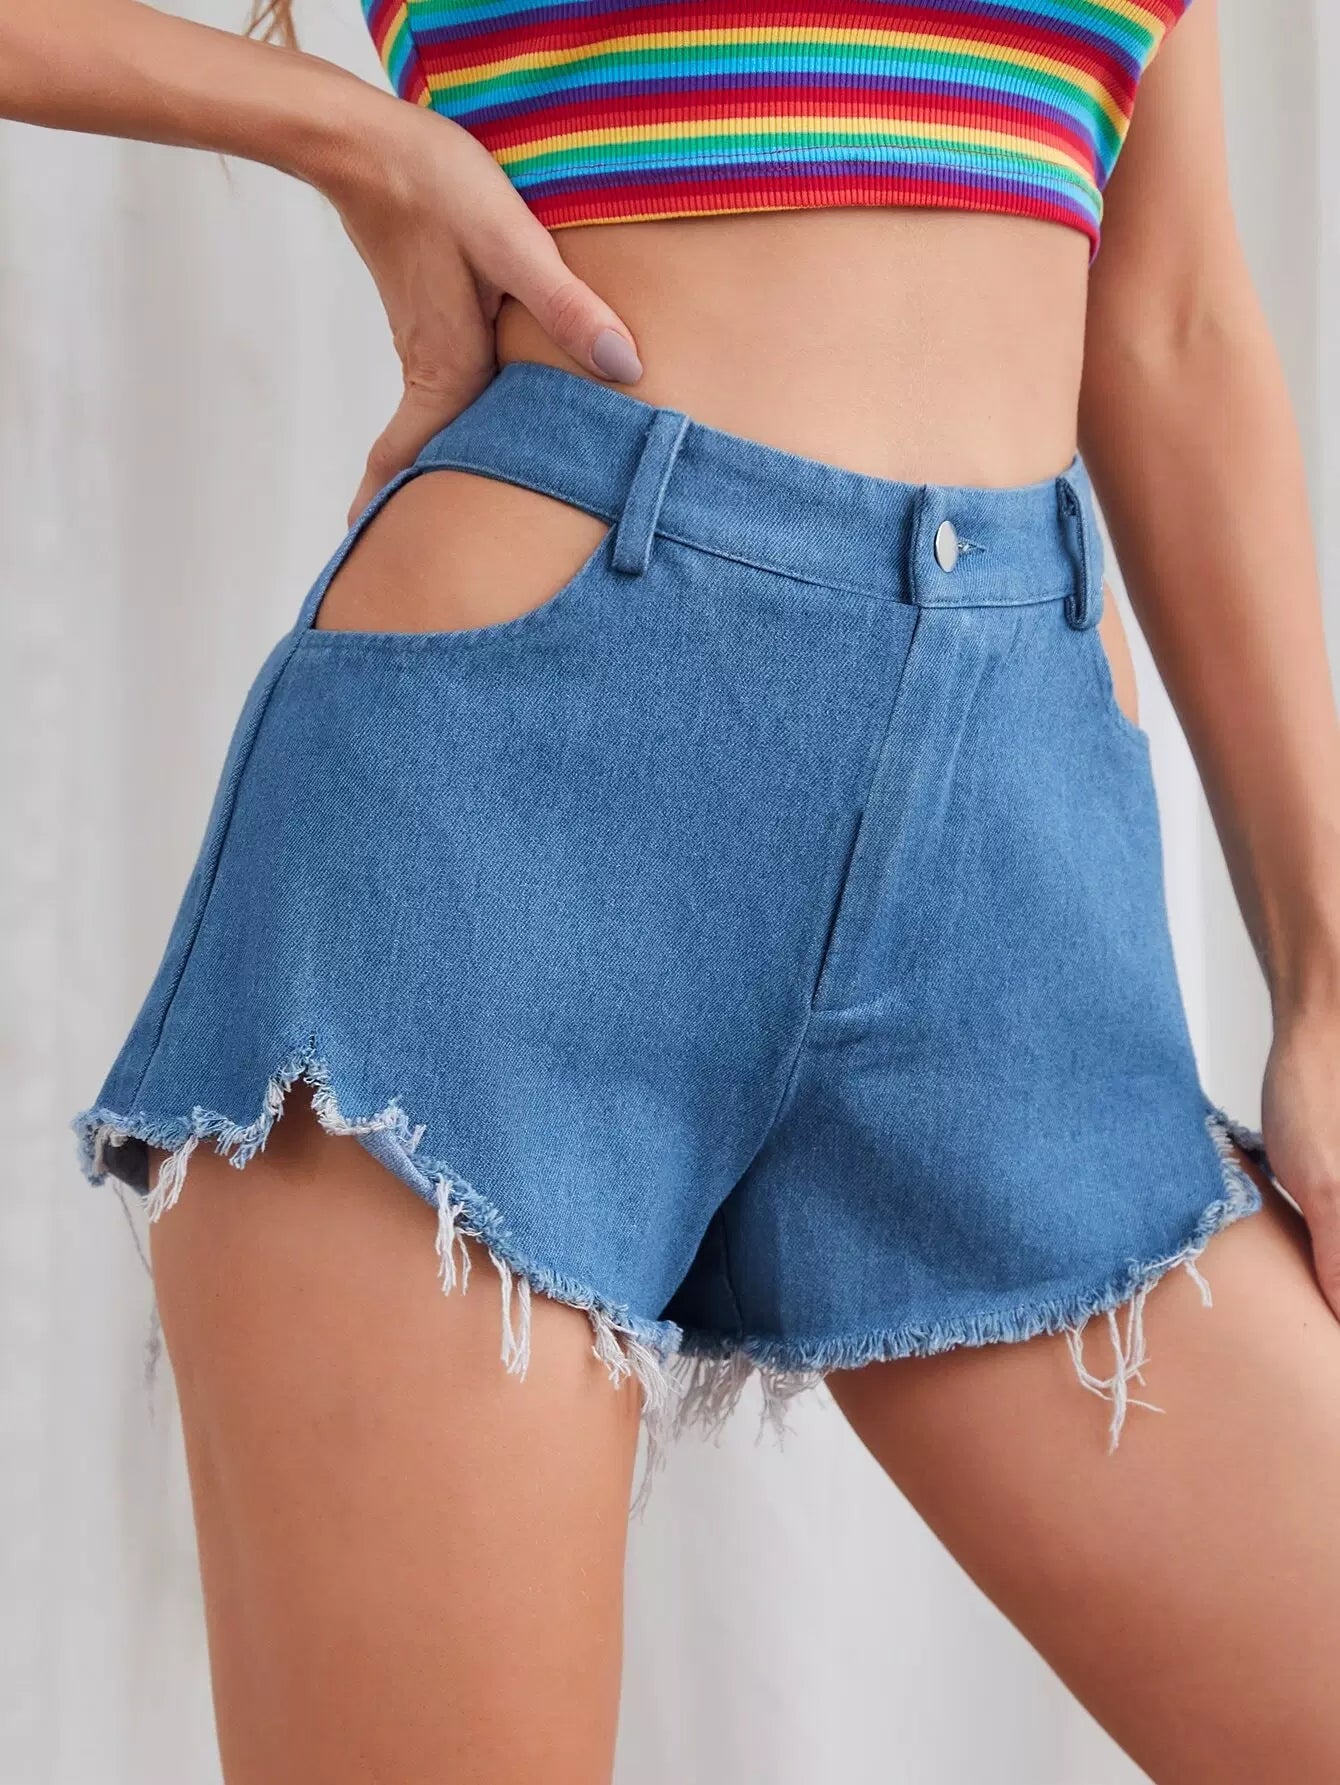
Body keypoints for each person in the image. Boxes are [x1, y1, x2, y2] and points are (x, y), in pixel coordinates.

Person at [9, 0, 1340, 1777]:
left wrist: (1325, 980)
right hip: (507, 829)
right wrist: (360, 142)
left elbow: (1170, 325)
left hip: (1018, 874)